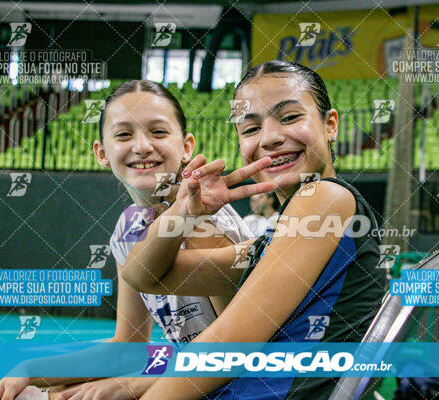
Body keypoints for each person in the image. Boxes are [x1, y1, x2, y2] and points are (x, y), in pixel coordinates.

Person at [120, 60, 387, 399]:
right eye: (250, 129)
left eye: (290, 117)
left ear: (330, 124)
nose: (271, 138)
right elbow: (142, 274)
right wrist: (183, 213)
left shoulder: (322, 196)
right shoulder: (280, 238)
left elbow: (229, 344)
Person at [0, 80, 267, 400]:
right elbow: (128, 348)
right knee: (31, 392)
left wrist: (133, 387)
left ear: (186, 146)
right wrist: (29, 368)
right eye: (123, 134)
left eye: (158, 132)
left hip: (250, 387)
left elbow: (240, 357)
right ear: (101, 153)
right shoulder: (128, 228)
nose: (142, 146)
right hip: (198, 380)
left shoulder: (205, 222)